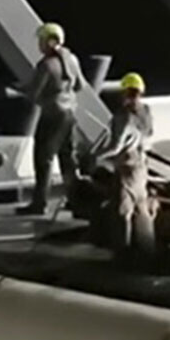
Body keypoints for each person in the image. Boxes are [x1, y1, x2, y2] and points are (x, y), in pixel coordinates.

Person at [14, 21, 87, 216]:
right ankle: (76, 201)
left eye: (42, 40)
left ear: (51, 41)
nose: (39, 44)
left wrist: (18, 90)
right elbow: (80, 86)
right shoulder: (72, 59)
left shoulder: (45, 65)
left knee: (43, 159)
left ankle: (40, 204)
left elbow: (33, 93)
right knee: (67, 159)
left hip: (52, 116)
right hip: (70, 114)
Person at [93, 72, 155, 261]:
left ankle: (122, 253)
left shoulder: (124, 117)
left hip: (127, 169)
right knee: (141, 206)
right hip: (141, 167)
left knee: (123, 211)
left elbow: (115, 147)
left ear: (125, 92)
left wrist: (95, 156)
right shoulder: (146, 112)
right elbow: (149, 137)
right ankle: (147, 248)